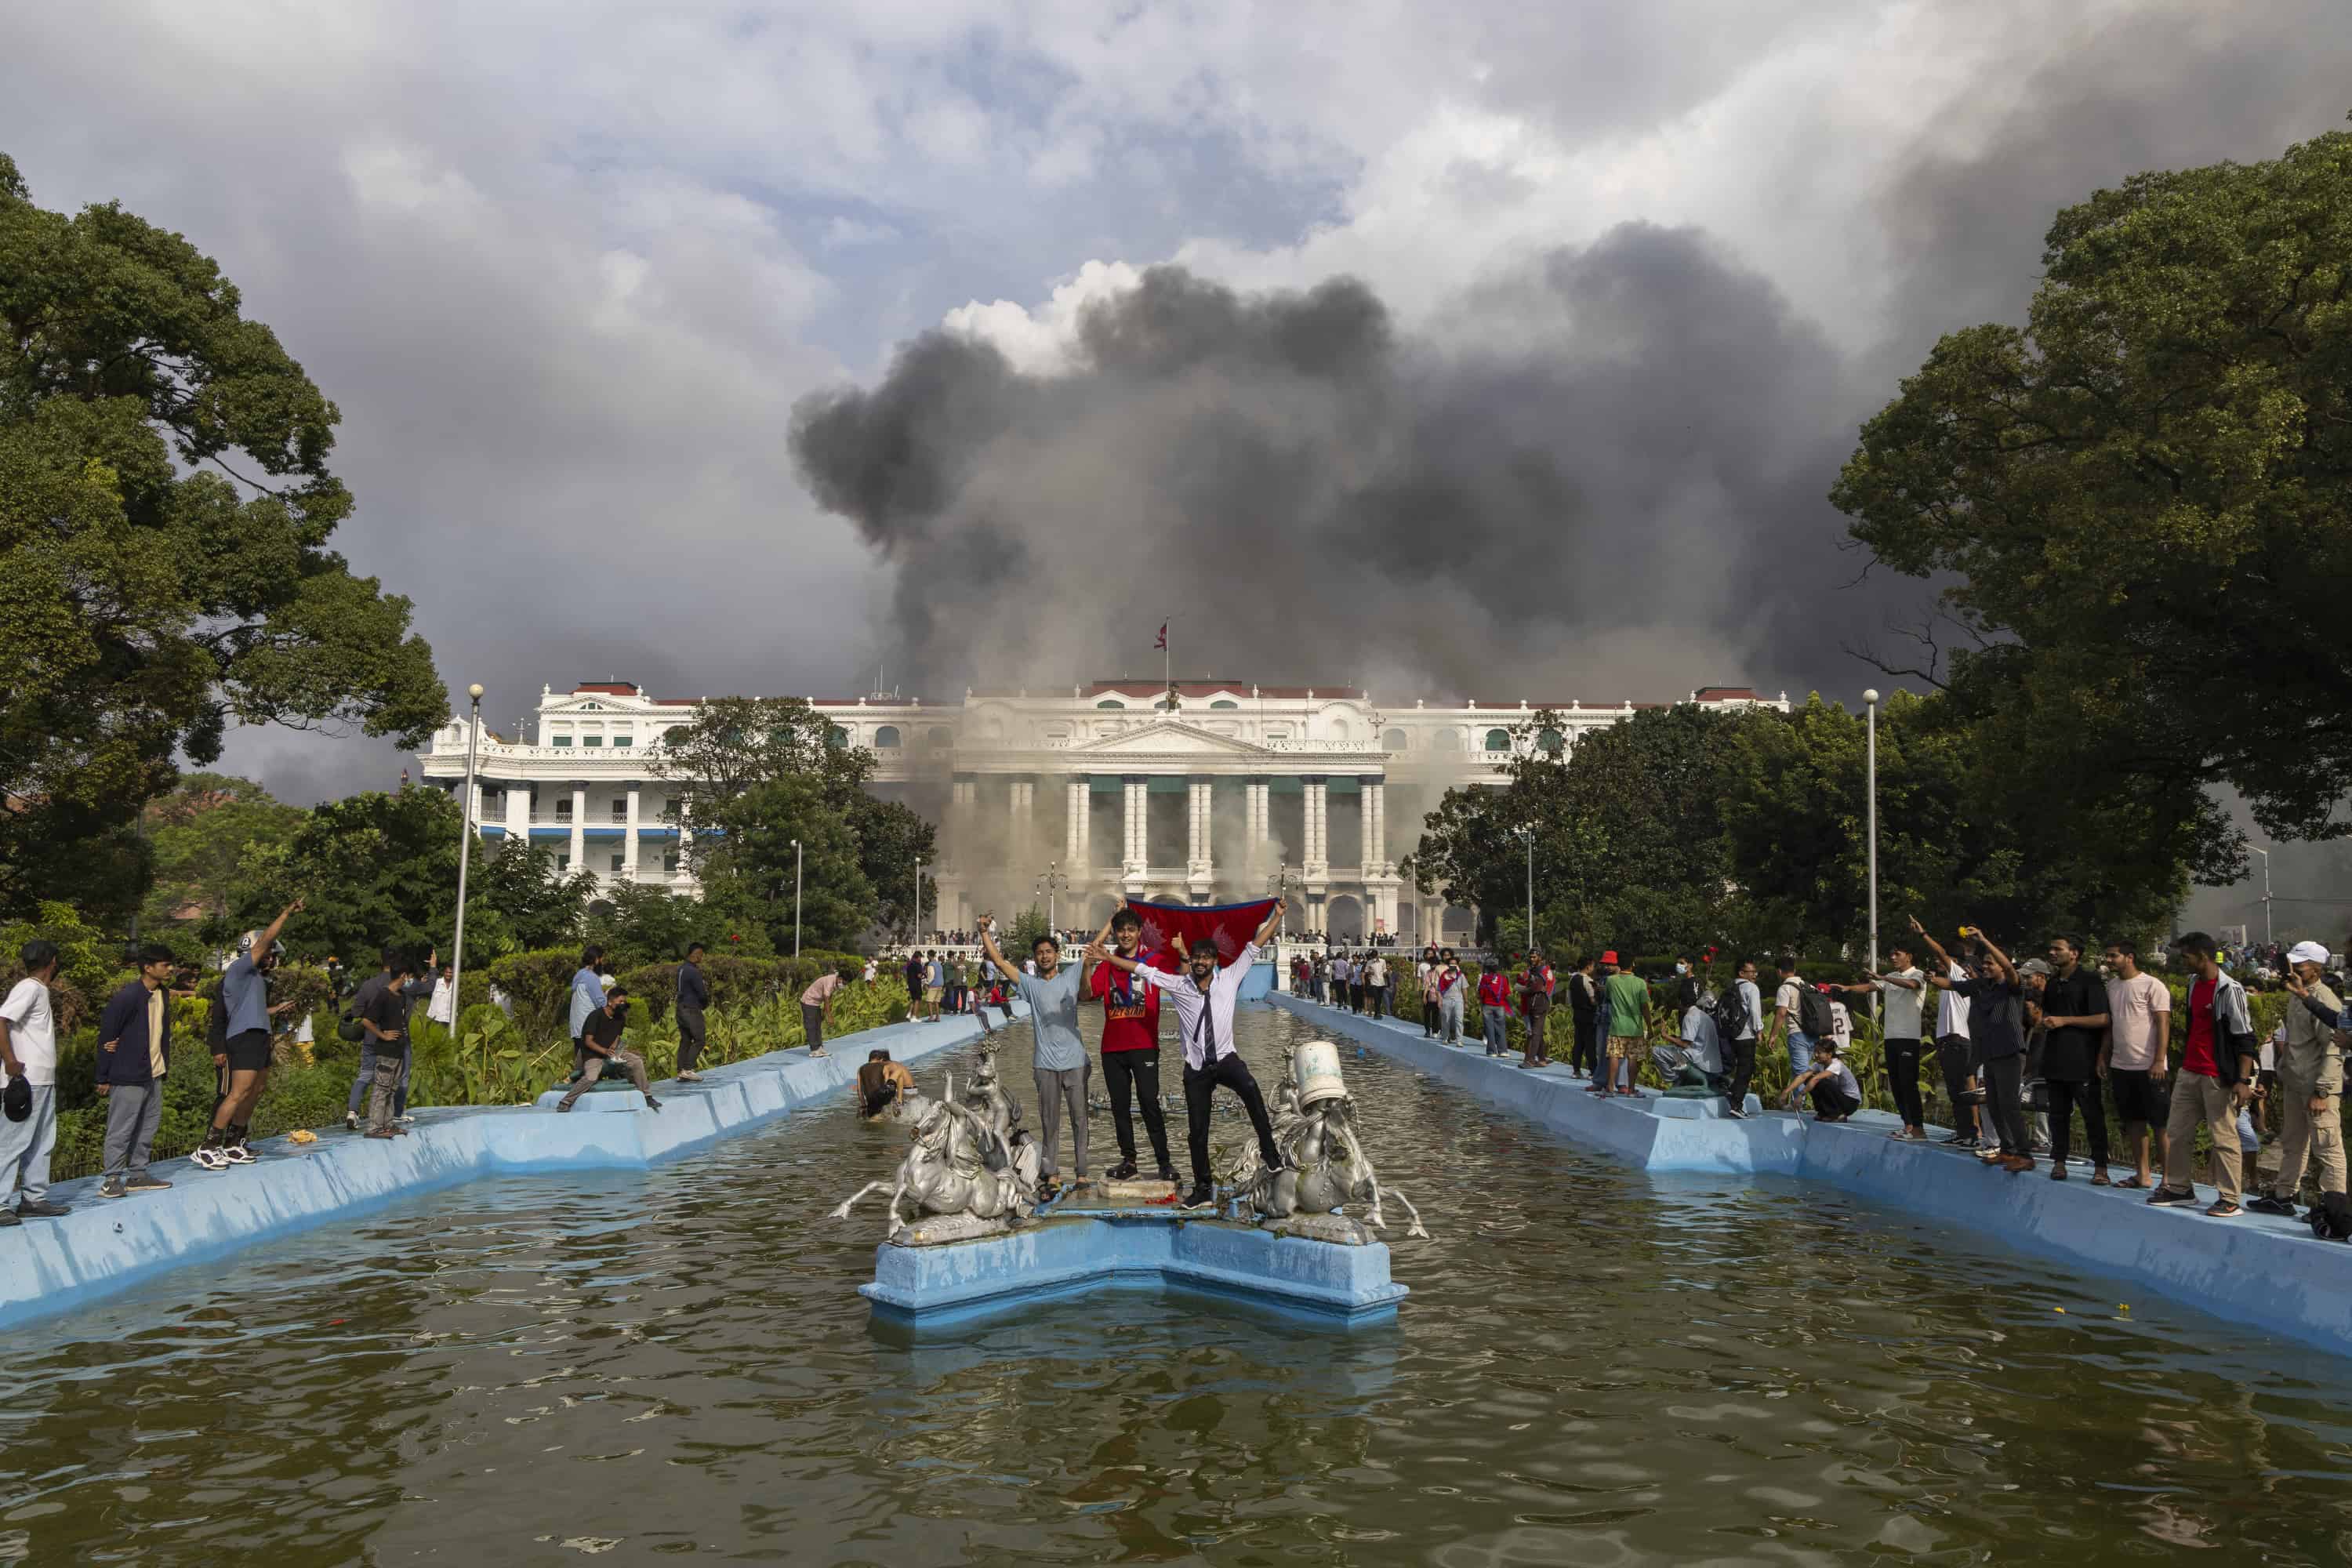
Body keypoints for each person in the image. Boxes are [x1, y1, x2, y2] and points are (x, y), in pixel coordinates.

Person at [1088, 899, 1287, 1209]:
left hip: (1226, 1059)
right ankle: (1203, 1188)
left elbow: (1254, 945)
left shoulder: (1230, 978)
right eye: (1195, 958)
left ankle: (1270, 1151)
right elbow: (1139, 968)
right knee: (1197, 1131)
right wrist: (1107, 957)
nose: (1200, 962)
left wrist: (1276, 917)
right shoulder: (1179, 985)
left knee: (1250, 1089)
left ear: (1214, 961)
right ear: (1191, 961)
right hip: (1196, 1068)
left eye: (1205, 957)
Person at [979, 909, 1111, 1197]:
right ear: (1035, 958)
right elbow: (1000, 962)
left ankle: (1082, 1173)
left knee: (1080, 1119)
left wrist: (1115, 916)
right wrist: (984, 932)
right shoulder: (1030, 985)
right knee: (1050, 1121)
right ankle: (1052, 1174)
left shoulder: (1071, 976)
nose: (1044, 956)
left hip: (1075, 1062)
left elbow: (1093, 949)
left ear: (1057, 954)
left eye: (1049, 951)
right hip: (1045, 1065)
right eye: (1039, 952)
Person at [2147, 932, 2260, 1217]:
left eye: (2186, 956)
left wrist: (2242, 1081)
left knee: (2223, 1138)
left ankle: (2230, 1197)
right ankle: (2179, 1188)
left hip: (2216, 1075)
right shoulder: (2193, 983)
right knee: (2177, 1132)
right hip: (2190, 1070)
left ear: (2203, 956)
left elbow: (2245, 1038)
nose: (2182, 961)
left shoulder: (2229, 989)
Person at [193, 900, 303, 1171]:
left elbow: (248, 1008)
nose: (272, 958)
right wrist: (286, 912)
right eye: (269, 953)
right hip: (243, 1038)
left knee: (256, 1090)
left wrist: (274, 1010)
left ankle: (233, 1142)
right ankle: (208, 1146)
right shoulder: (240, 969)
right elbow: (267, 938)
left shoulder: (257, 979)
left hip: (259, 1035)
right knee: (238, 1092)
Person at [1919, 926, 2033, 1173]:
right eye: (1985, 963)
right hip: (1989, 1053)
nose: (1987, 966)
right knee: (1993, 1103)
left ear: (2003, 965)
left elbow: (2011, 970)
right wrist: (1931, 979)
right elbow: (1951, 984)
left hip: (2010, 1052)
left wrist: (1983, 939)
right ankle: (2007, 1150)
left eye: (1991, 963)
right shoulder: (1982, 986)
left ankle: (2024, 1153)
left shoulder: (2012, 986)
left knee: (2009, 1104)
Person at [1091, 906, 1176, 1182]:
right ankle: (1129, 1161)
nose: (1126, 934)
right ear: (1115, 933)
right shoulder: (1106, 964)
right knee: (1120, 1105)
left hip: (1144, 1045)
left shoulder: (1154, 960)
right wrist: (1087, 963)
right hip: (1112, 1048)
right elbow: (1088, 993)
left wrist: (1184, 951)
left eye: (1131, 929)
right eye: (1121, 930)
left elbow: (1182, 977)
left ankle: (1164, 1162)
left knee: (1149, 1101)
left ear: (1140, 933)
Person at [2259, 941, 2344, 1217]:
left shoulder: (2325, 999)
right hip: (2297, 1084)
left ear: (2316, 969)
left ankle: (2335, 1209)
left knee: (2327, 1148)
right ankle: (2284, 1196)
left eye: (2300, 965)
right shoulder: (2299, 995)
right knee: (2293, 1142)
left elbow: (2333, 1049)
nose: (2292, 968)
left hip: (2317, 1088)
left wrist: (2323, 1092)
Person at [94, 944, 182, 1198]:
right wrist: (103, 1076)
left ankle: (138, 1174)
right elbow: (108, 1035)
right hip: (128, 1073)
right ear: (148, 967)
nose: (171, 969)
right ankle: (111, 1179)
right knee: (121, 1128)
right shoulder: (128, 997)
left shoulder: (162, 994)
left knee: (148, 1126)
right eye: (165, 965)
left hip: (154, 1072)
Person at [1827, 945, 1930, 1141]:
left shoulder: (1918, 974)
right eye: (1891, 953)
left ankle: (1919, 1129)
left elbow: (1911, 985)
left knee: (1909, 1084)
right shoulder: (1891, 976)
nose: (1893, 957)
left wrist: (1883, 978)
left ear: (1909, 955)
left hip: (1909, 1038)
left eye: (1897, 953)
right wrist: (1849, 988)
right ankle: (1908, 1126)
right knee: (1897, 1084)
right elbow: (1869, 987)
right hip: (1891, 1037)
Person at [2032, 935, 2111, 1184]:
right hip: (2055, 1059)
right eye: (2051, 948)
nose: (2052, 952)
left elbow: (2102, 1019)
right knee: (2058, 1115)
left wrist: (2065, 1021)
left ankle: (2100, 1167)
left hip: (2083, 1061)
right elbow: (2048, 1014)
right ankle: (2059, 1162)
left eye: (2058, 949)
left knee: (2092, 1115)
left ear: (2074, 953)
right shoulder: (2054, 982)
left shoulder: (2090, 980)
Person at [0, 939, 69, 1222]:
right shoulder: (29, 988)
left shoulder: (38, 990)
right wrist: (10, 1061)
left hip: (42, 1080)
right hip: (25, 1081)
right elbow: (1, 1019)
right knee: (12, 1141)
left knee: (42, 1140)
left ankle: (33, 1199)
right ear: (52, 961)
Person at [2100, 938, 2170, 1189]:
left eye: (2113, 956)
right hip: (2122, 1066)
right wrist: (2103, 1056)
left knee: (2160, 1125)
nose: (2108, 960)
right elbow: (2111, 1025)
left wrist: (2159, 1060)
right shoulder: (2111, 987)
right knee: (2133, 1122)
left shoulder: (2153, 985)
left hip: (2151, 1067)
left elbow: (2163, 1023)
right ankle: (2143, 1174)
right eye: (2107, 956)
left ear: (2129, 957)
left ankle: (2170, 1179)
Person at [557, 983, 662, 1112]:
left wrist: (614, 1052)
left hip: (609, 1053)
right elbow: (588, 1042)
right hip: (593, 1055)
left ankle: (647, 1096)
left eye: (625, 1001)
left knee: (636, 1061)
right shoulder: (595, 1016)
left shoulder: (620, 1018)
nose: (623, 1004)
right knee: (591, 1077)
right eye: (620, 1001)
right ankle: (566, 1101)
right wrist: (605, 1051)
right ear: (610, 1002)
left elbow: (617, 1037)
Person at [1922, 924, 1976, 1146]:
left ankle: (1971, 1134)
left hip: (1958, 1041)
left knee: (1962, 1091)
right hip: (1948, 1042)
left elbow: (1941, 954)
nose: (1937, 961)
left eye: (1943, 959)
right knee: (1955, 1092)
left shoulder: (1959, 973)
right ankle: (1963, 1132)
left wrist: (1923, 934)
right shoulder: (1949, 982)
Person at [358, 951, 422, 1138]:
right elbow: (366, 1021)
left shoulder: (400, 996)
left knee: (392, 1088)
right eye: (409, 976)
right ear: (403, 976)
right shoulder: (383, 995)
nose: (410, 980)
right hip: (386, 1051)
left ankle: (388, 1123)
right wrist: (383, 1035)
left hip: (399, 1050)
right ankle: (374, 1127)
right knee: (381, 1088)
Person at [1596, 952, 1647, 1097]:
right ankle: (1631, 1090)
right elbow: (1645, 1007)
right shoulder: (1640, 983)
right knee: (1632, 1059)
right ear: (1633, 965)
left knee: (1614, 1056)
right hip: (1635, 1028)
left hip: (1617, 1026)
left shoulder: (1611, 981)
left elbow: (1608, 998)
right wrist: (1649, 1025)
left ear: (1618, 964)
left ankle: (1610, 1088)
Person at [1719, 957, 1765, 1118]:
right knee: (1746, 1069)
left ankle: (1731, 1091)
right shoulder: (1751, 988)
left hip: (1730, 1034)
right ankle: (1736, 1103)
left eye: (1754, 971)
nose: (1754, 975)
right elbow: (1755, 1011)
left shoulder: (1731, 987)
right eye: (1751, 972)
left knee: (1738, 1067)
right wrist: (1759, 1031)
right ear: (1742, 972)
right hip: (1745, 1034)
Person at [1787, 1040, 1862, 1121]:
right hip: (1839, 1099)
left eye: (1819, 1053)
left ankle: (1837, 1114)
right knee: (1809, 1079)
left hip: (1850, 1103)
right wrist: (1786, 1092)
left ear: (1829, 1055)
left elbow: (1816, 1079)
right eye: (1815, 1052)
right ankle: (1823, 1112)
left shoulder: (1837, 1065)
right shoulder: (1819, 1065)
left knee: (1821, 1081)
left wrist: (1801, 1095)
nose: (1815, 1055)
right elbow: (1803, 1076)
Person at [1771, 955, 1817, 1081]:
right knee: (1802, 1071)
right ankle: (1798, 1100)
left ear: (1779, 971)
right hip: (1813, 1034)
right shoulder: (1810, 986)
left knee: (1800, 1074)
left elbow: (1781, 1013)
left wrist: (1774, 1035)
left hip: (1797, 1034)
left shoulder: (1785, 988)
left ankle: (1798, 1101)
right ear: (1795, 970)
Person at [676, 942, 711, 1081]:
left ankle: (681, 1071)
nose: (702, 958)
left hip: (680, 1008)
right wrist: (704, 1005)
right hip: (691, 1009)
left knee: (685, 1040)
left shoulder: (682, 969)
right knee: (700, 1040)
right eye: (701, 955)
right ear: (696, 954)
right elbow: (702, 993)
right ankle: (688, 1069)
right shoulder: (693, 971)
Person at [1517, 949, 1555, 1069]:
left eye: (1534, 957)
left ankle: (1530, 1060)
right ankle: (1542, 1059)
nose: (1532, 959)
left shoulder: (1545, 970)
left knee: (1535, 1032)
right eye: (1531, 957)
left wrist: (1534, 989)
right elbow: (1525, 984)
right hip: (1531, 1004)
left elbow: (1548, 985)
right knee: (1536, 1031)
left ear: (1540, 957)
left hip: (1540, 1004)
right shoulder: (1530, 970)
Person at [1567, 956, 1599, 1080]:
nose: (1593, 968)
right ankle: (1593, 1071)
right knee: (1590, 1044)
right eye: (1593, 966)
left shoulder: (1572, 979)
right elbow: (1592, 1000)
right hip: (1588, 1016)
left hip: (1577, 1014)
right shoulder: (1588, 981)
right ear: (1588, 967)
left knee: (1578, 1043)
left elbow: (1569, 999)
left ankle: (1576, 1070)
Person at [858, 1049, 915, 1117]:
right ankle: (899, 1102)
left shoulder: (860, 1069)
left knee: (875, 1117)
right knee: (900, 1071)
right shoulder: (884, 1067)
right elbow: (887, 1085)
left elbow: (859, 1090)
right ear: (881, 1060)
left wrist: (863, 1105)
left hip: (870, 1098)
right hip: (883, 1094)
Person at [801, 966, 844, 1058]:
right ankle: (814, 1050)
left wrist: (824, 1013)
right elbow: (826, 999)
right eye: (843, 982)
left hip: (816, 1003)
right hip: (808, 1001)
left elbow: (829, 998)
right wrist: (829, 1016)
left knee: (818, 1024)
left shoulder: (835, 982)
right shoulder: (829, 981)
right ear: (839, 978)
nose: (842, 984)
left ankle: (819, 1047)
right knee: (811, 1026)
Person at [1478, 960, 1513, 1058]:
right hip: (1500, 1006)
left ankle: (1492, 1051)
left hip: (1487, 1006)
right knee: (1501, 1028)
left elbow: (1481, 992)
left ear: (1487, 969)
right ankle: (1503, 1051)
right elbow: (1507, 993)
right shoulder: (1503, 979)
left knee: (1489, 1029)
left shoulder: (1485, 978)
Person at [426, 960, 456, 1029]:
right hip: (435, 1018)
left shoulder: (455, 985)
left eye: (450, 973)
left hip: (448, 1019)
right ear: (444, 973)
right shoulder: (436, 982)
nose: (448, 974)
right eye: (447, 972)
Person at [1365, 952, 1389, 1018]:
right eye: (1373, 957)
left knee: (1379, 999)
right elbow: (1366, 971)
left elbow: (1384, 970)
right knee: (1376, 998)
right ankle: (1377, 1013)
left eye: (1375, 956)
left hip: (1381, 983)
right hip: (1374, 982)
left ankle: (1377, 1013)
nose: (1374, 958)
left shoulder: (1383, 961)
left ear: (1377, 955)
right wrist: (1370, 972)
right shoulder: (1369, 962)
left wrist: (1386, 973)